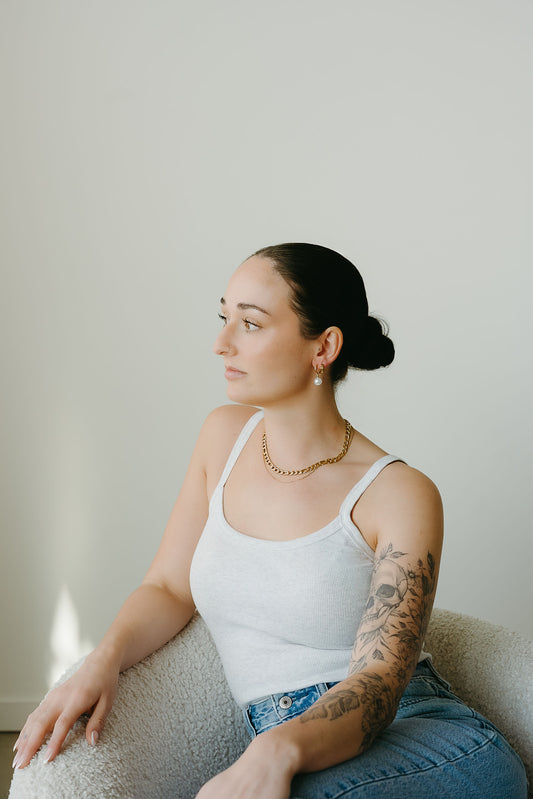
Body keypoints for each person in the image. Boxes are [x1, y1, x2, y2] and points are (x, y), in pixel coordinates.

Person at [13, 243, 527, 797]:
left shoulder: (399, 493)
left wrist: (276, 748)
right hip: (294, 745)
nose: (221, 343)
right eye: (224, 316)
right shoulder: (222, 437)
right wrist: (102, 660)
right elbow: (167, 587)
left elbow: (380, 684)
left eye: (251, 324)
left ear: (324, 346)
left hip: (423, 739)